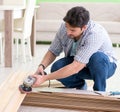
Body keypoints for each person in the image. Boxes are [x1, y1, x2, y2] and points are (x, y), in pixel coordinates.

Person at [32, 6, 117, 91]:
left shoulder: (95, 33)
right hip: (79, 62)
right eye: (67, 27)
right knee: (57, 67)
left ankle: (99, 92)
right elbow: (53, 51)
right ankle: (80, 86)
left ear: (84, 28)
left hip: (104, 66)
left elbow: (76, 67)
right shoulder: (64, 27)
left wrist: (44, 78)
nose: (68, 32)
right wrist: (42, 66)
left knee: (97, 57)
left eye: (72, 30)